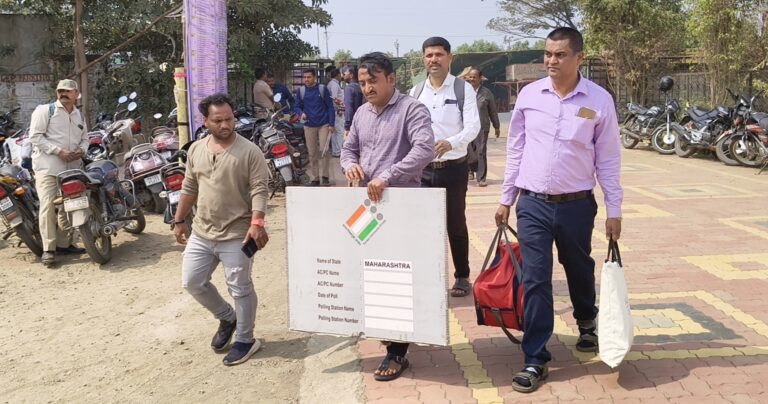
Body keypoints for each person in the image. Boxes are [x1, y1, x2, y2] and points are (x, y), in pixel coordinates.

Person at [494, 27, 623, 393]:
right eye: (548, 54)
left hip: (576, 205)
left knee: (578, 266)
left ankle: (586, 320)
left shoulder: (599, 100)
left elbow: (608, 158)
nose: (551, 60)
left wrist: (614, 209)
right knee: (535, 278)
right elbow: (516, 149)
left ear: (579, 58)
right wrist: (506, 198)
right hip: (532, 203)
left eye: (560, 54)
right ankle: (535, 358)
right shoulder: (529, 95)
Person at [341, 51, 435, 382]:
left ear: (391, 79)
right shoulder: (361, 113)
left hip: (401, 206)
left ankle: (397, 351)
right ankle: (390, 331)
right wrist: (349, 165)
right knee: (368, 271)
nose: (367, 88)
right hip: (367, 207)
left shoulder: (412, 109)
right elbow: (349, 149)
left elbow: (424, 149)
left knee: (395, 276)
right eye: (362, 82)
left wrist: (387, 176)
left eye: (373, 81)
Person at [173, 93, 270, 366]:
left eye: (229, 119)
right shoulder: (195, 149)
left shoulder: (250, 151)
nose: (225, 124)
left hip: (237, 234)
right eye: (218, 120)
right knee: (192, 281)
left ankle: (246, 340)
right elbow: (189, 187)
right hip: (202, 232)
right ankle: (227, 317)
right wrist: (179, 220)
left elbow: (259, 189)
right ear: (205, 121)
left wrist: (257, 223)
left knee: (240, 288)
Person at [409, 37, 480, 298]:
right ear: (423, 59)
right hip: (423, 171)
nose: (434, 60)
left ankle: (462, 276)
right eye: (429, 55)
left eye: (439, 54)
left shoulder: (463, 89)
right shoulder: (416, 92)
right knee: (424, 225)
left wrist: (452, 142)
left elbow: (473, 126)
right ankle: (429, 277)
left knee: (455, 224)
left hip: (454, 169)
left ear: (450, 57)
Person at [29, 79, 88, 267]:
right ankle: (49, 249)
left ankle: (64, 244)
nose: (63, 94)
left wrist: (82, 150)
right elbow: (35, 137)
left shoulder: (79, 115)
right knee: (47, 206)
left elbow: (85, 139)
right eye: (60, 91)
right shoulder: (45, 111)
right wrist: (58, 151)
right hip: (48, 168)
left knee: (70, 205)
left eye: (68, 91)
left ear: (76, 94)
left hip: (72, 169)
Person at [294, 68, 335, 186]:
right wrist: (301, 113)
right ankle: (315, 178)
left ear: (314, 77)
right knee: (312, 153)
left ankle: (325, 176)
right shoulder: (301, 91)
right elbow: (296, 106)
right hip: (309, 125)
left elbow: (330, 107)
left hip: (324, 124)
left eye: (309, 77)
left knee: (324, 150)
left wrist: (331, 124)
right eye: (305, 77)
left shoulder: (322, 89)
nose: (306, 79)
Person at [464, 68, 500, 187]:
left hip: (482, 127)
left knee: (481, 151)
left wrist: (496, 126)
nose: (472, 79)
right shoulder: (464, 91)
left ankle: (481, 178)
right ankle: (470, 170)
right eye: (470, 77)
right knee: (468, 150)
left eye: (474, 77)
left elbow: (493, 111)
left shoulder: (486, 93)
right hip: (467, 127)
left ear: (480, 78)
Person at [326, 68, 345, 158]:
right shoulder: (334, 85)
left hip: (334, 111)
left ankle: (336, 151)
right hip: (337, 111)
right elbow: (334, 98)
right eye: (340, 74)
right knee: (339, 131)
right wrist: (339, 108)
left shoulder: (331, 84)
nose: (341, 76)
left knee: (335, 132)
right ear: (337, 75)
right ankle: (339, 151)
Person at [342, 64, 364, 138]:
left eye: (344, 74)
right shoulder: (362, 87)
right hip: (364, 121)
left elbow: (349, 108)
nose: (343, 76)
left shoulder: (349, 88)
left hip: (353, 124)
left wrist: (347, 126)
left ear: (351, 75)